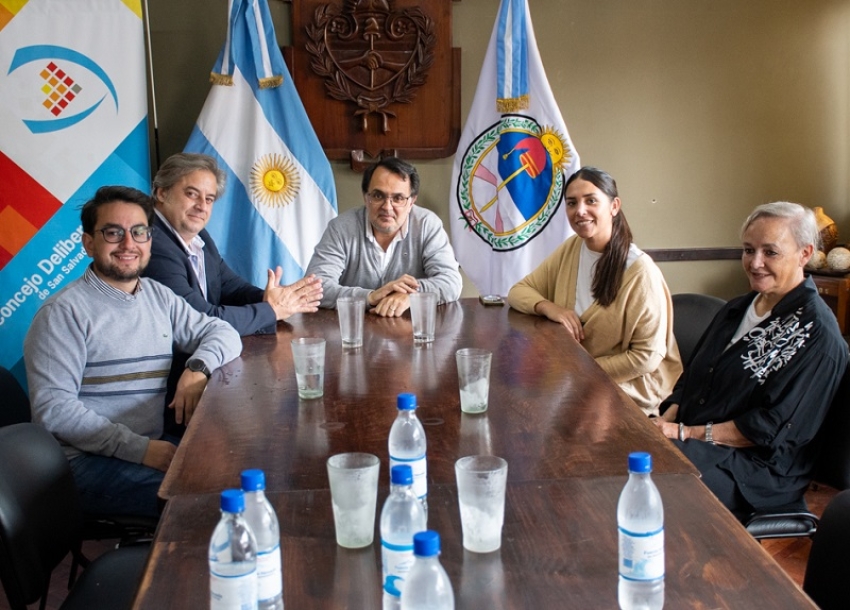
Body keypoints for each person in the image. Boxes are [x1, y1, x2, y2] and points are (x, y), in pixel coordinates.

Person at [24, 186, 242, 518]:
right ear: (88, 244)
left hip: (147, 445)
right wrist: (141, 450)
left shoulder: (156, 295)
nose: (129, 244)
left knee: (238, 470)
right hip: (82, 464)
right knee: (206, 503)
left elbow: (223, 332)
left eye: (139, 232)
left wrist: (198, 368)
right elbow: (54, 410)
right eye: (113, 233)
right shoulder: (62, 314)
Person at [653, 201, 848, 517]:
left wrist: (683, 434)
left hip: (756, 471)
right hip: (695, 441)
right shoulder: (736, 309)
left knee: (650, 480)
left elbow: (770, 428)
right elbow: (692, 379)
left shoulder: (817, 335)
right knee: (628, 454)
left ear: (805, 254)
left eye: (770, 252)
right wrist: (666, 422)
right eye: (748, 250)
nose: (755, 263)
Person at [507, 166, 682, 416]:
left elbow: (647, 357)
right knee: (516, 402)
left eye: (591, 201)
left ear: (614, 206)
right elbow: (518, 291)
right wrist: (550, 308)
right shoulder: (572, 248)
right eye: (572, 203)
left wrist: (582, 369)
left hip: (626, 388)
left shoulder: (640, 271)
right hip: (574, 379)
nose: (580, 211)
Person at [144, 152, 323, 336]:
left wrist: (272, 297)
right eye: (192, 194)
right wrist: (271, 310)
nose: (202, 206)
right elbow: (201, 320)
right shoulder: (152, 245)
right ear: (162, 193)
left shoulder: (199, 237)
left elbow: (232, 288)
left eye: (209, 199)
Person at [305, 157, 462, 317]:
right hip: (354, 327)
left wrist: (412, 295)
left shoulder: (427, 225)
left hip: (410, 328)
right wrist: (369, 297)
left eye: (398, 198)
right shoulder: (341, 228)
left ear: (411, 202)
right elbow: (314, 288)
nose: (387, 207)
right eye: (378, 196)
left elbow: (451, 282)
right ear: (366, 197)